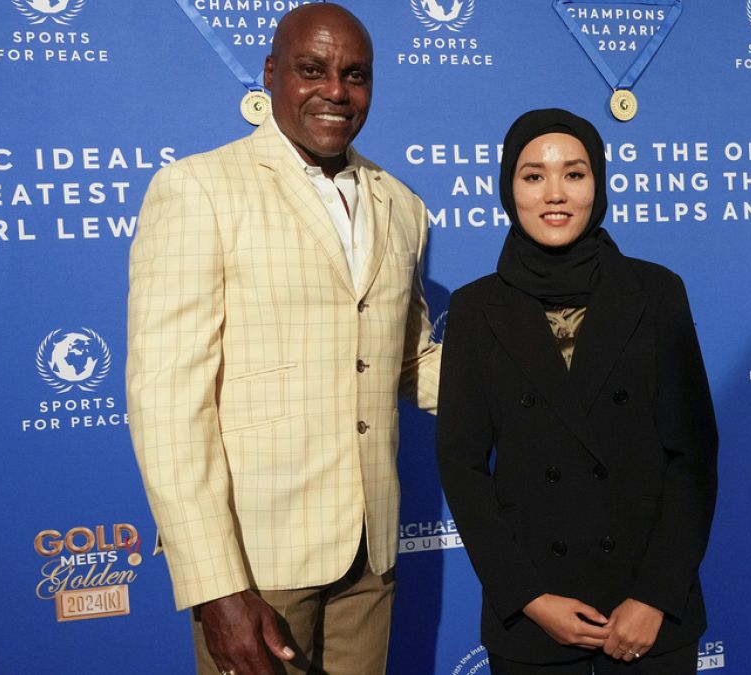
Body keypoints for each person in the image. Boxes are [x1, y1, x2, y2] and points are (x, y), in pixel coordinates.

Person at [125, 5, 440, 675]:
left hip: (370, 557)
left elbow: (406, 359)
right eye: (311, 69)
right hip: (256, 568)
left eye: (355, 75)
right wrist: (216, 584)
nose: (335, 90)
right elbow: (167, 404)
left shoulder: (402, 205)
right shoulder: (198, 190)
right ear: (270, 75)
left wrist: (543, 378)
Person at [436, 109, 717, 674]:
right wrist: (530, 598)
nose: (555, 194)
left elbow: (693, 457)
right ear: (508, 189)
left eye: (575, 173)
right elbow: (461, 465)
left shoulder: (656, 291)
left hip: (646, 615)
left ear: (599, 185)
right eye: (533, 175)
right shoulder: (474, 308)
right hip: (535, 618)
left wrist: (656, 596)